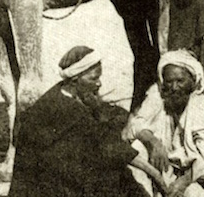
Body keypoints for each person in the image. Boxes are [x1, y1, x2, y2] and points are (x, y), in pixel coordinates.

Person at [9, 45, 165, 197]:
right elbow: (110, 145)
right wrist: (155, 174)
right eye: (94, 78)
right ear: (76, 79)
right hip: (43, 186)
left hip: (48, 177)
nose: (99, 83)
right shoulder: (67, 109)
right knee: (115, 174)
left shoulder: (62, 93)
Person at [124, 50, 204, 197]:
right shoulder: (158, 96)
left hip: (191, 176)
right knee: (138, 147)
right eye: (169, 82)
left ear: (192, 82)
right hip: (161, 167)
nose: (174, 87)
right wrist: (154, 142)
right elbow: (135, 125)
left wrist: (181, 184)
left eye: (180, 81)